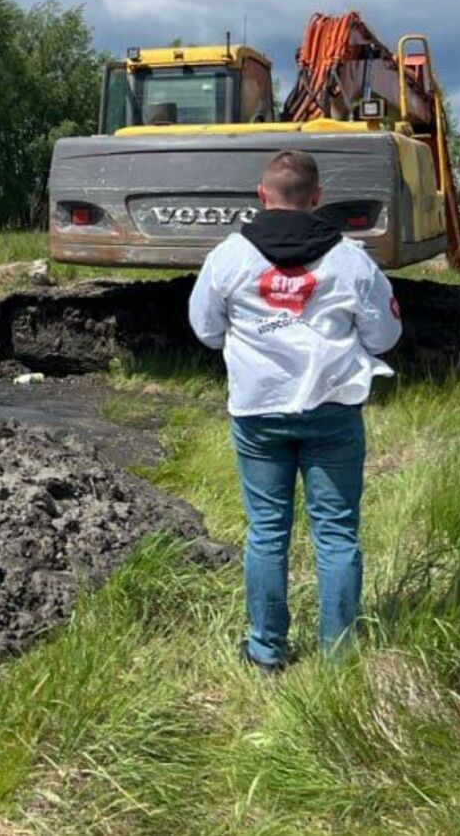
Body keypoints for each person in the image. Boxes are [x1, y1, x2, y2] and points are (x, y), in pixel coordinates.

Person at [187, 149, 402, 672]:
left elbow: (206, 329)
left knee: (266, 530)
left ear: (262, 196)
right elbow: (385, 334)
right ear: (317, 199)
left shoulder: (229, 257)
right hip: (331, 410)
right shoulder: (351, 260)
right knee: (336, 533)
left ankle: (265, 651)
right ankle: (338, 657)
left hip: (259, 413)